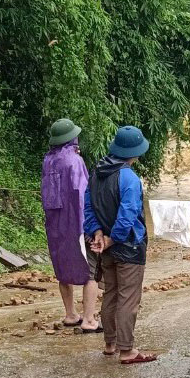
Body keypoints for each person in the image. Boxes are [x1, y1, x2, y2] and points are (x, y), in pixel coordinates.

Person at [83, 125, 156, 364]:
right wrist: (114, 237)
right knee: (128, 298)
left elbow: (88, 209)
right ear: (135, 152)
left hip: (106, 247)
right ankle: (127, 350)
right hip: (128, 246)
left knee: (111, 294)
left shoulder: (96, 174)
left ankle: (110, 343)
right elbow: (128, 214)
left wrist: (98, 234)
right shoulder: (129, 177)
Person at [41, 118, 100, 333]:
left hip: (55, 225)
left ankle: (70, 314)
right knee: (90, 271)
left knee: (62, 268)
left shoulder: (48, 161)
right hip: (76, 223)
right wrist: (91, 227)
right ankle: (89, 318)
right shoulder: (74, 161)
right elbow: (82, 194)